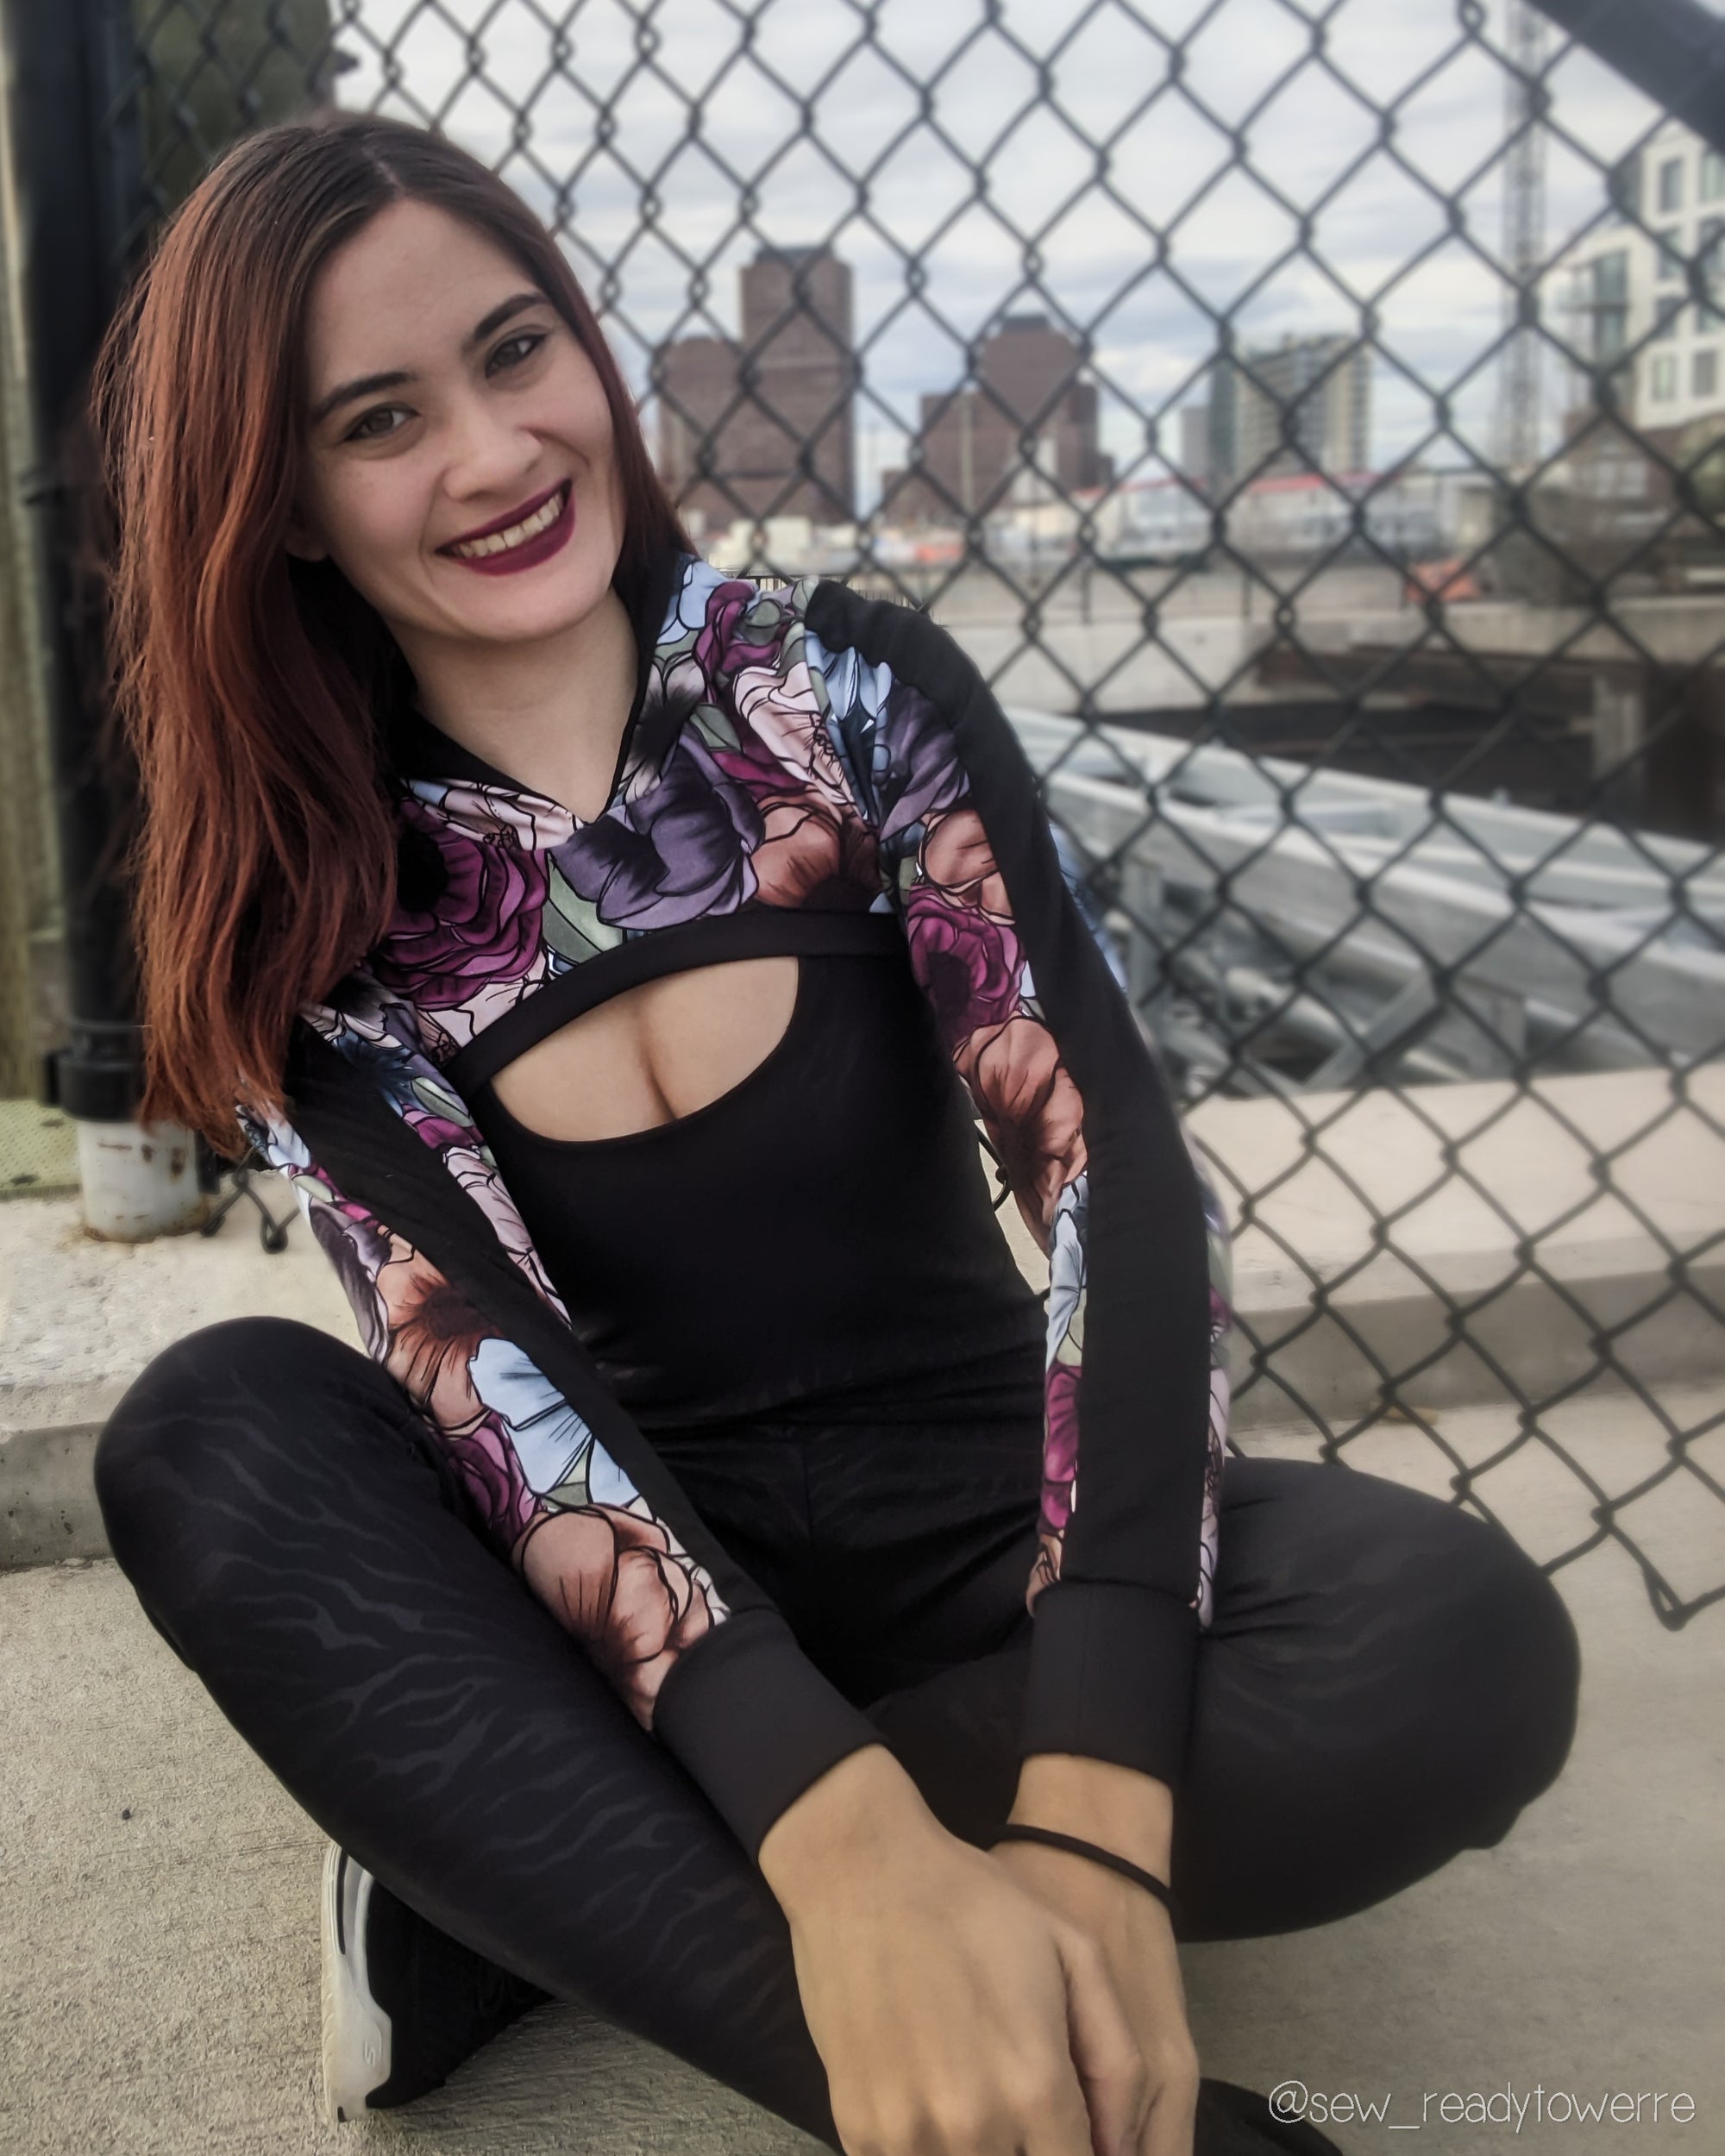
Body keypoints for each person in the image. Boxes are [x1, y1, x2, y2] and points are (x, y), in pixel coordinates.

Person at [86, 110, 1581, 2156]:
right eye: (382, 419)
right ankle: (951, 2043)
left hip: (976, 1532)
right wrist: (833, 1821)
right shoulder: (314, 904)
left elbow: (1104, 1170)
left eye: (518, 351)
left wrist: (1094, 1802)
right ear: (281, 504)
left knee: (1454, 1644)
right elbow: (490, 1381)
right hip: (612, 1585)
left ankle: (522, 1886)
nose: (499, 451)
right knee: (212, 1429)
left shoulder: (839, 688)